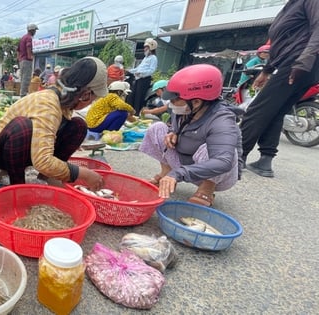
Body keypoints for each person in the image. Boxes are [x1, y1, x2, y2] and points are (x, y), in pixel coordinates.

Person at [0, 56, 107, 191]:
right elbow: (42, 160)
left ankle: (45, 178)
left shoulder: (63, 103)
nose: (91, 102)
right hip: (3, 154)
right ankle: (17, 185)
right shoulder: (48, 103)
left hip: (28, 151)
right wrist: (83, 174)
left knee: (78, 126)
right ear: (85, 95)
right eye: (92, 99)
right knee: (22, 126)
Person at [139, 64, 241, 207]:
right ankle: (166, 173)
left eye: (175, 100)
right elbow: (173, 124)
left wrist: (179, 173)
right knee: (157, 128)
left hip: (213, 173)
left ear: (197, 101)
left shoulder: (221, 120)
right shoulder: (184, 108)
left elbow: (223, 162)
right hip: (184, 161)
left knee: (214, 150)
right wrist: (172, 132)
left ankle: (207, 188)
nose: (171, 104)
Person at [240, 0, 319, 178]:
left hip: (299, 63)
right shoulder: (292, 5)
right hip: (297, 63)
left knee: (257, 109)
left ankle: (236, 156)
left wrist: (303, 62)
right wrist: (266, 70)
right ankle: (265, 161)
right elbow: (282, 44)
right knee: (276, 112)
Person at [127, 38, 158, 115]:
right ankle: (131, 112)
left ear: (151, 48)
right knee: (132, 95)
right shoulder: (145, 58)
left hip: (144, 79)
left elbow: (152, 70)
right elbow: (138, 68)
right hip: (138, 79)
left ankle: (136, 114)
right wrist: (129, 70)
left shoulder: (153, 58)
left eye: (146, 47)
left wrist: (141, 73)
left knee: (139, 97)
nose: (144, 49)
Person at [18, 23, 38, 97]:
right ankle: (23, 95)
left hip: (22, 60)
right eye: (35, 30)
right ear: (32, 30)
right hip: (26, 60)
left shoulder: (23, 37)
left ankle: (22, 94)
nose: (35, 32)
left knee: (23, 79)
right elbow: (28, 47)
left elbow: (18, 50)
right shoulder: (29, 38)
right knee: (26, 79)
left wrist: (19, 59)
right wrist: (30, 57)